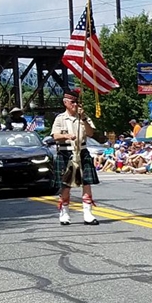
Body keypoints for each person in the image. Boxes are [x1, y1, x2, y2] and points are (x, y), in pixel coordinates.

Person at [51, 89, 99, 225]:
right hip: (66, 152)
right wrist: (66, 136)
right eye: (72, 102)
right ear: (65, 102)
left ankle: (88, 213)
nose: (75, 104)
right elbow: (55, 136)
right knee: (65, 185)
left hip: (82, 151)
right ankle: (64, 212)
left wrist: (83, 118)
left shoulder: (83, 117)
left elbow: (90, 133)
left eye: (77, 102)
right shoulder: (60, 118)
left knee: (86, 183)